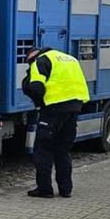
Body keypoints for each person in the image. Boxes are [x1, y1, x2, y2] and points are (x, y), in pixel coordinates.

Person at [21, 46, 90, 198]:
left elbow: (36, 86)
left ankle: (45, 189)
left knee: (43, 151)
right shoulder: (69, 59)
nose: (30, 65)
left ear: (32, 56)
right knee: (63, 151)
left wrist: (39, 104)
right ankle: (66, 189)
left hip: (53, 110)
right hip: (74, 109)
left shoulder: (40, 61)